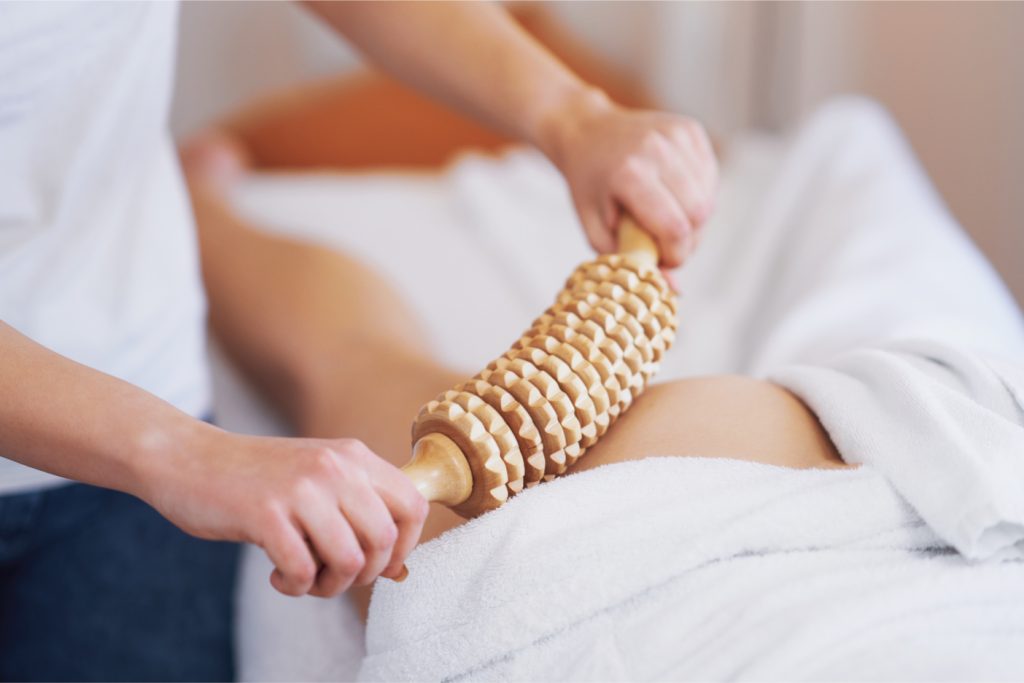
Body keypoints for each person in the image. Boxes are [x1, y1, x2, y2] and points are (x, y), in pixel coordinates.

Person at [0, 2, 717, 679]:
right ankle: (203, 197)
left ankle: (199, 200)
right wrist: (178, 452)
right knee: (353, 362)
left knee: (352, 363)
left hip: (127, 365)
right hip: (143, 441)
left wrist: (574, 116)